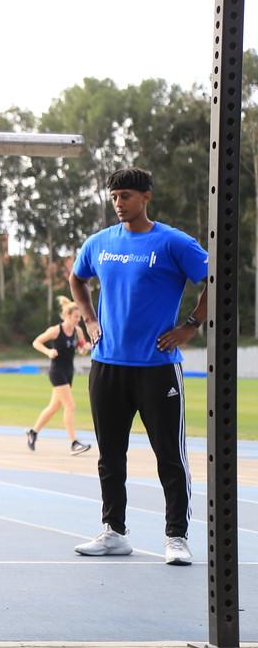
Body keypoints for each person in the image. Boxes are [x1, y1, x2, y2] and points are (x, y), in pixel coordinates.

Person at [68, 167, 207, 566]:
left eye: (126, 195)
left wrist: (191, 326)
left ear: (146, 196)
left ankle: (176, 537)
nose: (118, 203)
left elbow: (216, 279)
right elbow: (77, 279)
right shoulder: (100, 243)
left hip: (157, 367)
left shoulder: (173, 243)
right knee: (110, 455)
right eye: (113, 196)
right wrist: (90, 320)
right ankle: (114, 532)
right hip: (107, 365)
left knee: (169, 454)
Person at [26, 296, 92, 455]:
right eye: (76, 317)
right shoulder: (55, 330)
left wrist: (87, 348)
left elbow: (81, 350)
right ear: (67, 316)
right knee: (70, 406)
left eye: (79, 317)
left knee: (54, 407)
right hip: (57, 372)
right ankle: (74, 443)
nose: (78, 320)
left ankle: (33, 433)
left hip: (69, 372)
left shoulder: (78, 331)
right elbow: (36, 342)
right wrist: (48, 351)